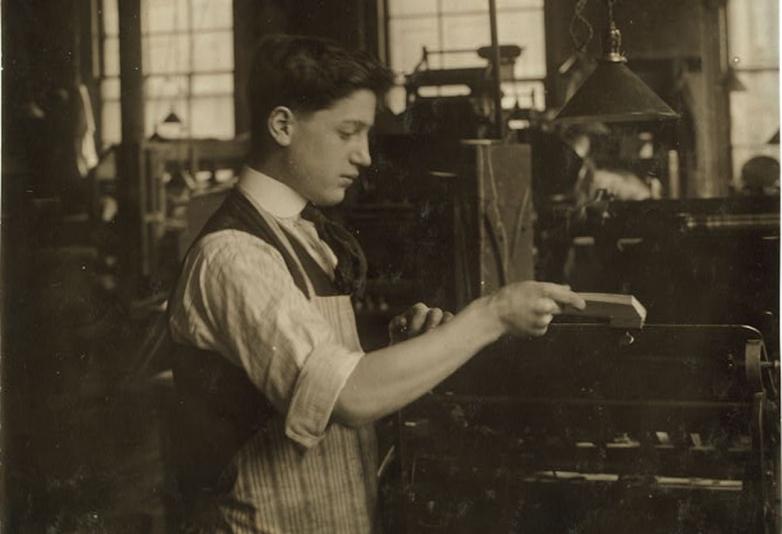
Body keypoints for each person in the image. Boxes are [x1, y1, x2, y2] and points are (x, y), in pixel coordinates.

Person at [167, 34, 585, 533]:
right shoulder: (235, 257)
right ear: (282, 125)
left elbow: (327, 375)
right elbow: (347, 396)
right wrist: (492, 314)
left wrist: (401, 353)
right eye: (348, 132)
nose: (364, 156)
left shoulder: (303, 235)